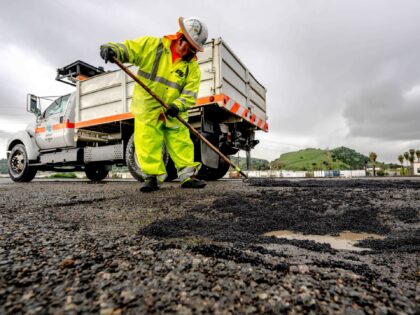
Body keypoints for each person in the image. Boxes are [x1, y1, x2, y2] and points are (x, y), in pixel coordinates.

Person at [100, 17, 208, 192]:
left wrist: (178, 105)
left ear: (195, 50)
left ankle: (188, 176)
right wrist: (113, 49)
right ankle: (152, 178)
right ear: (178, 36)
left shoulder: (192, 68)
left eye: (190, 47)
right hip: (148, 107)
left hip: (173, 110)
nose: (184, 47)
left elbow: (190, 94)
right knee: (147, 141)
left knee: (181, 140)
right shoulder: (153, 46)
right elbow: (130, 49)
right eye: (183, 41)